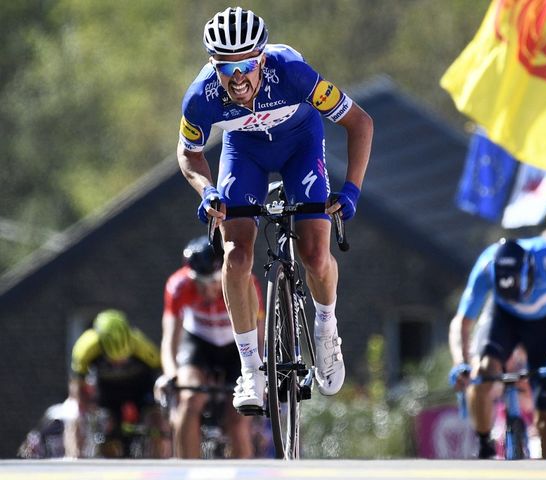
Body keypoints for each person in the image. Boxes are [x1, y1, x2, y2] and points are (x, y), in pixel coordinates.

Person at [177, 7, 373, 411]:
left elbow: (360, 123)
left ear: (262, 59)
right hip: (243, 153)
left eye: (246, 65)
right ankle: (250, 369)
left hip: (300, 144)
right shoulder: (201, 98)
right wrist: (207, 191)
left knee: (315, 254)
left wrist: (352, 190)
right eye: (226, 67)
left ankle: (325, 327)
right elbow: (188, 153)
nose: (238, 77)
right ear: (213, 66)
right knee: (236, 255)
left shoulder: (293, 72)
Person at [448, 237, 546, 459]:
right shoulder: (487, 264)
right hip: (503, 318)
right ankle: (484, 443)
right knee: (483, 371)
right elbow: (462, 322)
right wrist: (461, 362)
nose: (519, 302)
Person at [156, 237, 264, 458]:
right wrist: (170, 374)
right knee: (189, 399)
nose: (206, 291)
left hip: (236, 348)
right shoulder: (178, 286)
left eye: (213, 282)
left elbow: (259, 336)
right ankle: (188, 470)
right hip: (198, 343)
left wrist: (261, 373)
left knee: (238, 418)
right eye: (200, 283)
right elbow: (170, 339)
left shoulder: (244, 283)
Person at [66, 309, 169, 458]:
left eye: (123, 360)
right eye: (112, 361)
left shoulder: (141, 344)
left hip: (139, 387)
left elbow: (160, 374)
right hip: (107, 389)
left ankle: (158, 461)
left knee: (156, 420)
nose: (118, 364)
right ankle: (75, 459)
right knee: (78, 414)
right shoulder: (85, 347)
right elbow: (77, 384)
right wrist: (84, 407)